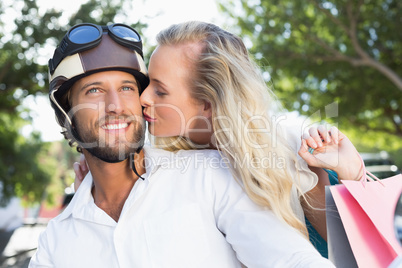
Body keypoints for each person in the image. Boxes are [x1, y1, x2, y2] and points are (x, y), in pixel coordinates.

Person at [29, 22, 334, 267]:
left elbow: (291, 257)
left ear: (208, 105)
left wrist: (352, 172)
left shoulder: (215, 174)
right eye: (94, 90)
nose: (117, 105)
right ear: (66, 116)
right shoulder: (55, 242)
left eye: (128, 88)